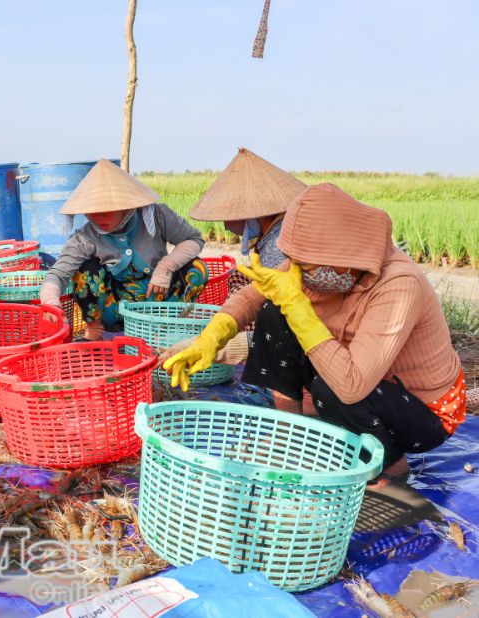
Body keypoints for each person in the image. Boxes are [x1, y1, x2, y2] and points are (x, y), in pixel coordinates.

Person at [164, 183, 466, 485]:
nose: (295, 272)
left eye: (304, 267)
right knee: (274, 312)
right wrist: (211, 338)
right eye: (294, 263)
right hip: (353, 380)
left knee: (330, 387)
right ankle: (290, 433)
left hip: (421, 410)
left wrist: (296, 304)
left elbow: (351, 385)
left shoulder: (400, 285)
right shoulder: (319, 265)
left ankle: (389, 466)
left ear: (343, 256)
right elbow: (252, 297)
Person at [166, 148, 308, 376]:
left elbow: (281, 317)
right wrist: (208, 340)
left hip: (298, 339)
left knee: (273, 321)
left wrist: (220, 346)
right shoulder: (277, 232)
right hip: (291, 329)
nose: (225, 224)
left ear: (254, 215)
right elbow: (252, 296)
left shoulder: (277, 244)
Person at [39, 159, 208, 340]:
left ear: (126, 207)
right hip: (117, 308)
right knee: (86, 267)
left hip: (161, 300)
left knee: (197, 268)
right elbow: (58, 274)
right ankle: (94, 331)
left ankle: (166, 330)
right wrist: (51, 303)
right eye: (91, 211)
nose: (97, 217)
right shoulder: (85, 237)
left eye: (106, 210)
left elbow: (193, 239)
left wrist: (166, 267)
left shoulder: (156, 215)